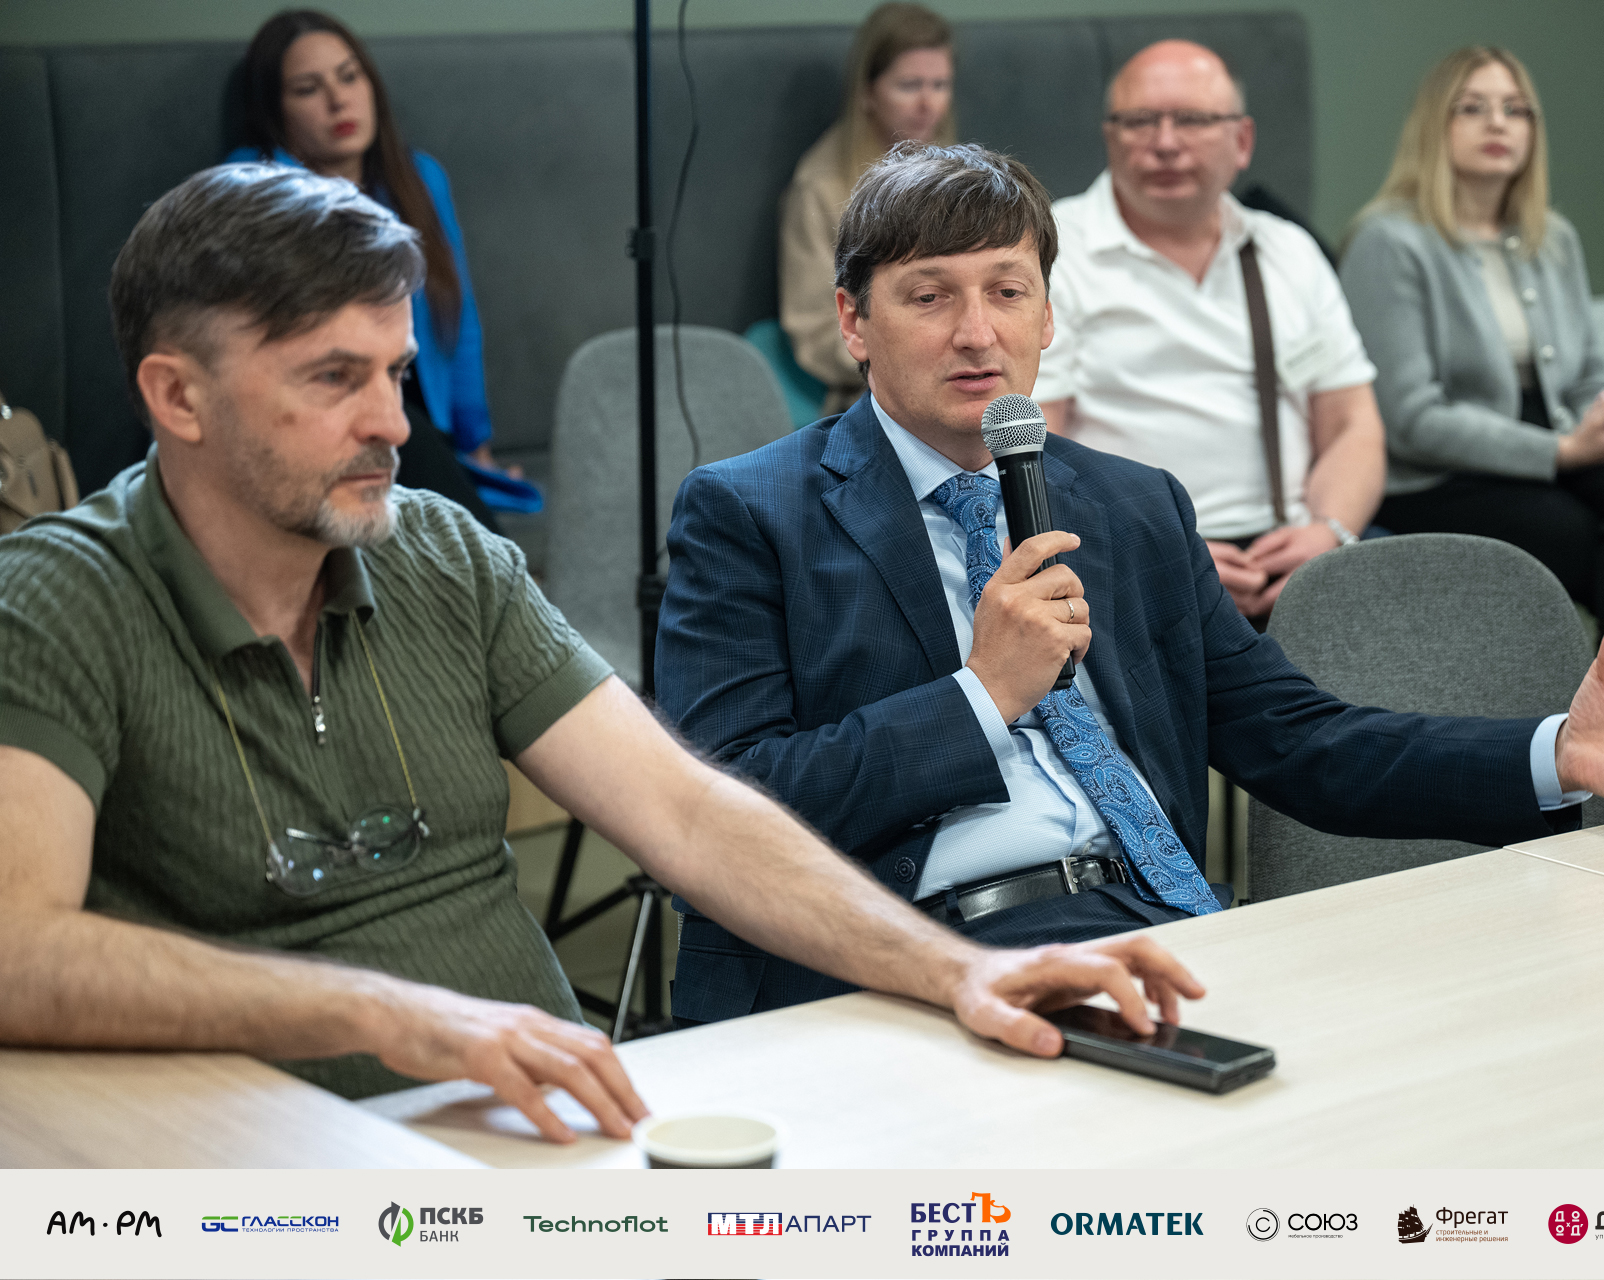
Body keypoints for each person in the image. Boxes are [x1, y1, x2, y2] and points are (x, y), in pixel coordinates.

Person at [0, 163, 1207, 1145]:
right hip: (269, 1156)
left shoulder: (440, 553)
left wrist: (955, 972)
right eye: (333, 379)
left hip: (549, 1127)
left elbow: (688, 812)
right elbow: (16, 948)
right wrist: (392, 1011)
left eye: (396, 373)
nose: (392, 423)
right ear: (178, 396)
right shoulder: (55, 598)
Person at [654, 140, 1604, 1028]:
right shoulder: (750, 512)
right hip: (918, 955)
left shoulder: (1130, 505)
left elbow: (1299, 740)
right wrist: (981, 693)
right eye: (929, 296)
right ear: (854, 320)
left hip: (1162, 925)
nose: (977, 332)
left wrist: (1555, 752)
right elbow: (721, 813)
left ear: (1049, 316)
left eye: (1008, 290)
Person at [1034, 40, 1385, 621]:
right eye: (1140, 121)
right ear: (1110, 137)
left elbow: (1353, 425)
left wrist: (1329, 533)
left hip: (1291, 552)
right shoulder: (1050, 252)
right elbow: (1036, 447)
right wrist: (1166, 553)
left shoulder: (1287, 251)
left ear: (1241, 141)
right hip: (1125, 559)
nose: (1165, 143)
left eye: (1192, 120)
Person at [1340, 47, 1604, 633]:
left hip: (1550, 435)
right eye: (1472, 108)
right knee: (1576, 535)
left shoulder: (1553, 237)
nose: (1497, 123)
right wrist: (1562, 452)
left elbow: (1588, 370)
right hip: (1436, 473)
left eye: (1515, 109)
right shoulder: (1387, 241)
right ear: (1434, 125)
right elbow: (1411, 420)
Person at [228, 8, 518, 531]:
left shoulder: (417, 177)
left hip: (414, 412)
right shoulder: (253, 185)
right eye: (308, 89)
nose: (338, 101)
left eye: (349, 77)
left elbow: (457, 314)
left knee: (441, 493)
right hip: (329, 412)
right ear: (274, 110)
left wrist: (476, 444)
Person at [781, 2, 955, 417]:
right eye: (909, 85)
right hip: (872, 395)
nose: (928, 104)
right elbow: (816, 332)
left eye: (940, 85)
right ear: (867, 92)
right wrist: (915, 353)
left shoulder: (956, 172)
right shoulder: (822, 187)